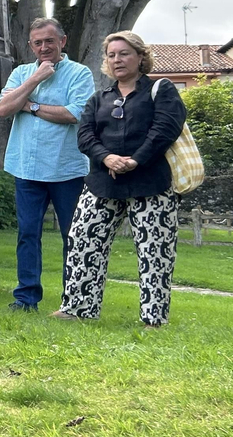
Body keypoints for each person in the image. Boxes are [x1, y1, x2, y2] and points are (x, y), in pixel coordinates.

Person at [53, 32, 186, 327]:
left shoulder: (160, 90)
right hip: (102, 183)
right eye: (112, 55)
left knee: (155, 250)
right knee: (83, 240)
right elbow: (85, 135)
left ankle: (153, 318)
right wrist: (107, 158)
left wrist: (135, 159)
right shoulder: (99, 98)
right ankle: (78, 308)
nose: (117, 60)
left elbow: (165, 128)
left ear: (140, 57)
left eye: (124, 53)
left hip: (151, 182)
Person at [0, 18, 96, 313]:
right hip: (26, 168)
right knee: (27, 234)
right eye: (37, 43)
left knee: (73, 234)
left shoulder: (79, 73)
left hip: (66, 168)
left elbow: (74, 113)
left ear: (62, 42)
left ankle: (73, 299)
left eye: (49, 41)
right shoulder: (21, 73)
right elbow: (3, 108)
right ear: (31, 46)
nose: (44, 47)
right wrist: (35, 80)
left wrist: (31, 106)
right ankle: (26, 298)